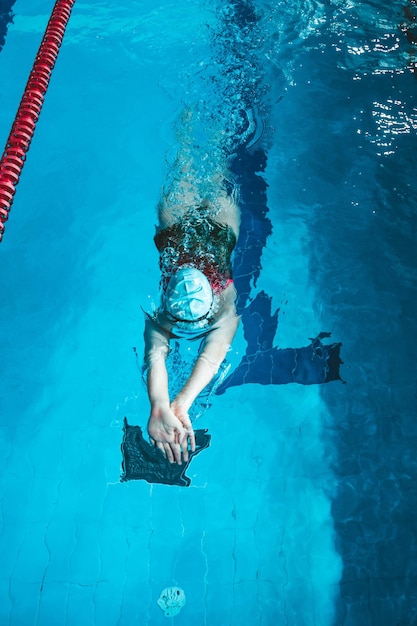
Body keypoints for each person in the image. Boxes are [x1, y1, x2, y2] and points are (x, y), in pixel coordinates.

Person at [143, 144, 240, 465]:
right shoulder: (223, 302)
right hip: (181, 229)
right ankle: (197, 135)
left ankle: (188, 133)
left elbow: (157, 354)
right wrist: (171, 405)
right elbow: (210, 359)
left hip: (216, 230)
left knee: (190, 166)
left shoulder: (167, 313)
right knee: (209, 171)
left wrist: (166, 404)